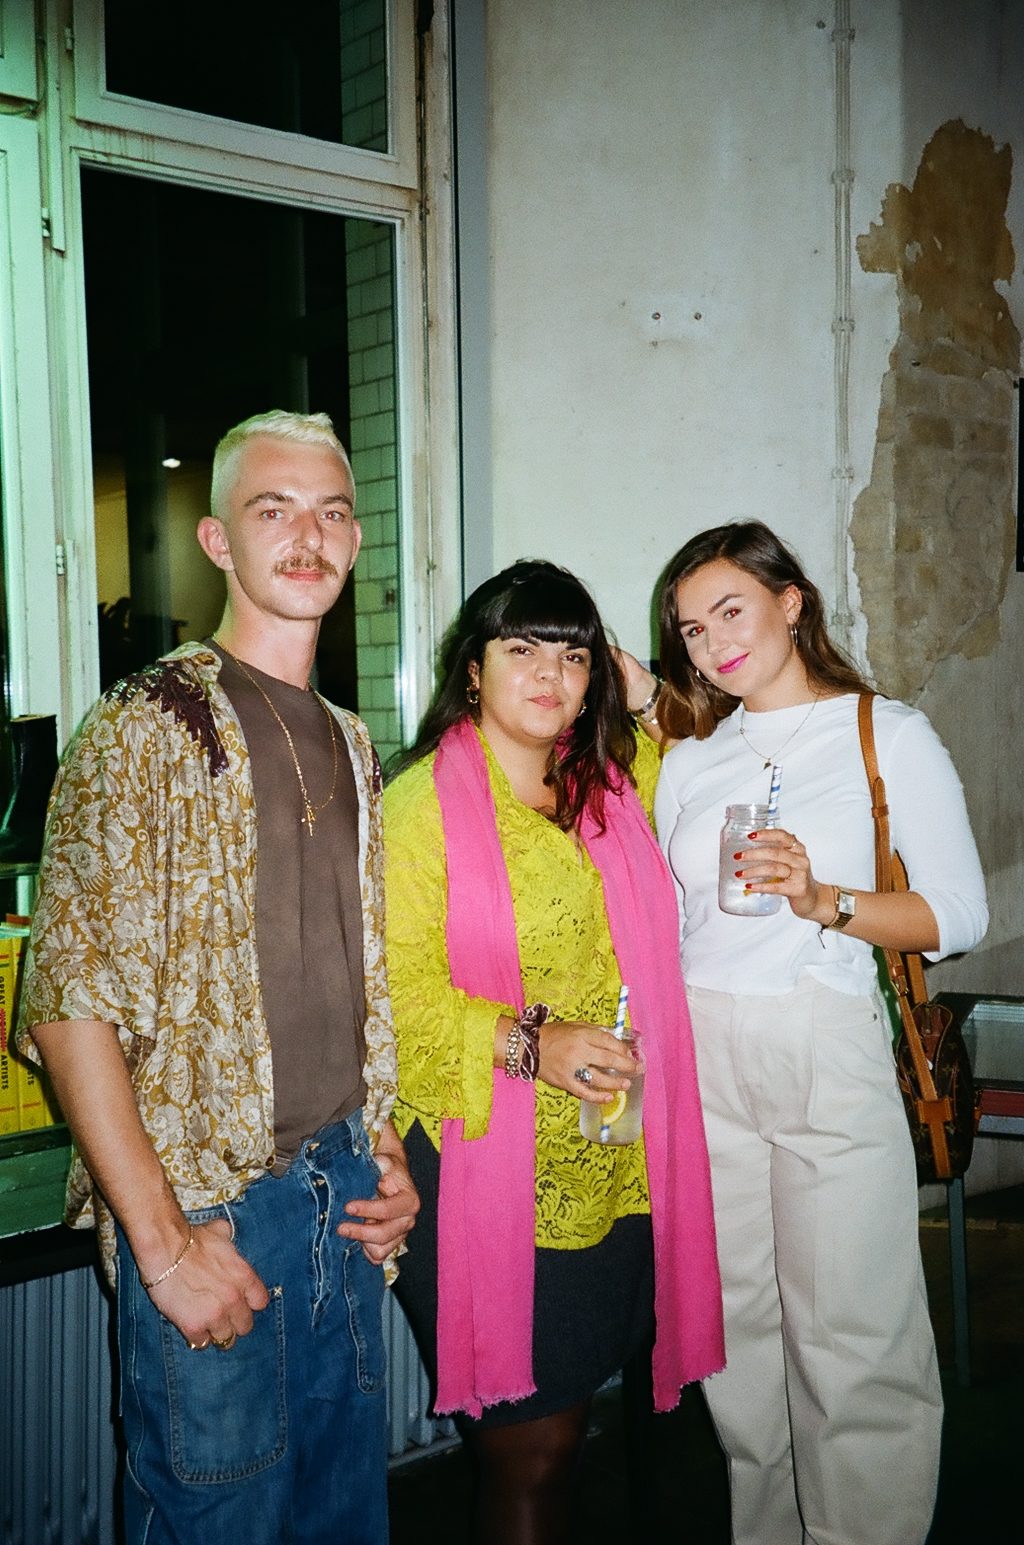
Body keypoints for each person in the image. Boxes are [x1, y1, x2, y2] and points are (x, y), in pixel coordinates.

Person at [16, 410, 418, 1544]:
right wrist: (162, 1244)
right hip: (212, 1213)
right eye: (273, 510)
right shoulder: (146, 725)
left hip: (342, 1197)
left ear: (355, 540)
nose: (309, 536)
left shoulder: (350, 740)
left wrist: (385, 1145)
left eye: (331, 512)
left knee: (344, 1522)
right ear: (217, 540)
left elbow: (348, 974)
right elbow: (68, 1003)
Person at [623, 520, 987, 1545]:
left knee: (852, 1332)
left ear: (791, 603)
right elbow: (670, 917)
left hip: (822, 1037)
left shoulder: (885, 733)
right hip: (706, 1050)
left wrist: (826, 899)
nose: (713, 643)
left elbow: (959, 915)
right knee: (739, 1333)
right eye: (691, 630)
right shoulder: (693, 758)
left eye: (730, 611)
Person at [383, 560, 724, 1545]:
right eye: (522, 649)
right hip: (486, 1164)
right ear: (474, 668)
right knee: (530, 1448)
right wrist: (531, 1044)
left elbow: (717, 763)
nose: (549, 675)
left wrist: (648, 697)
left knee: (618, 1424)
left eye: (573, 656)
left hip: (621, 1156)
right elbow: (390, 996)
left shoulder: (619, 784)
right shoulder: (417, 810)